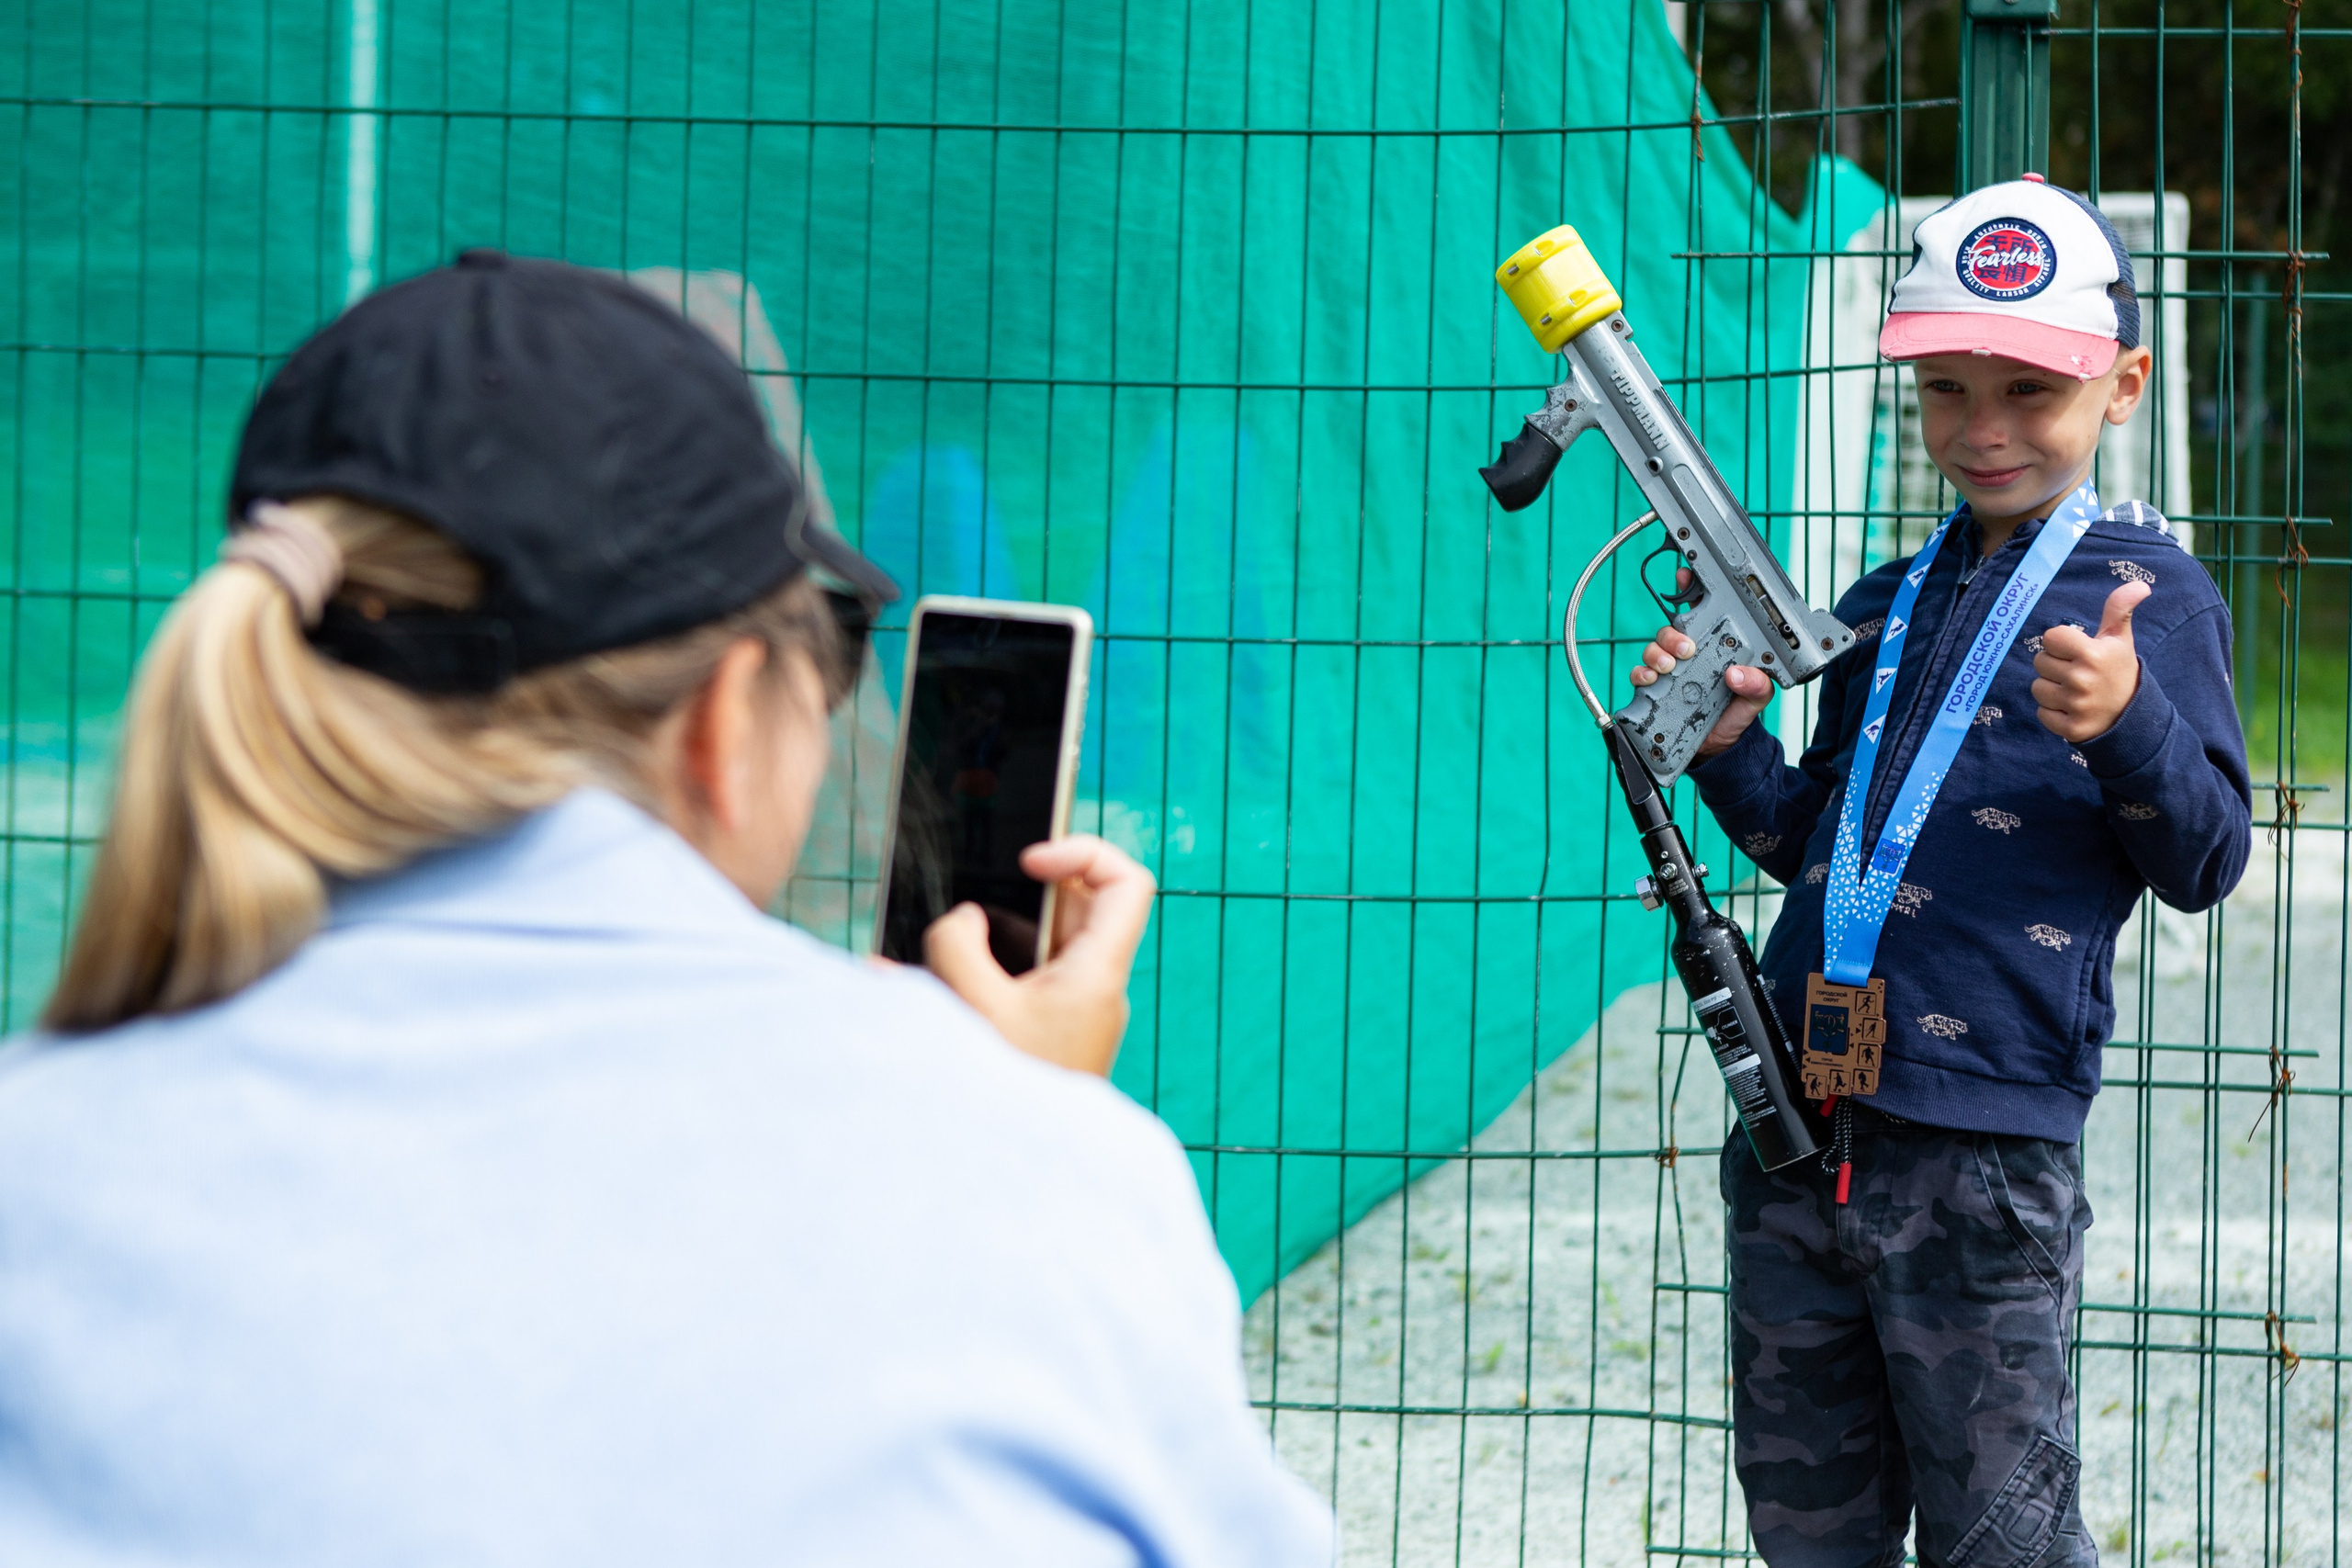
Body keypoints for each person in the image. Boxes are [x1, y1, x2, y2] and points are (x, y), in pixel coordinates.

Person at [0, 252, 1334, 1565]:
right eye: (828, 645)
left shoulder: (37, 1148)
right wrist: (1024, 1124)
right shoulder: (1053, 1181)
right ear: (718, 720)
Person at [1633, 178, 2251, 1568]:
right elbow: (1809, 842)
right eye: (1947, 389)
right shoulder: (1881, 602)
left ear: (2124, 384)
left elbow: (2208, 859)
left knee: (2002, 1543)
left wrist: (2130, 725)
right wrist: (1732, 747)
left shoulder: (2148, 598)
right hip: (1795, 1132)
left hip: (1984, 1160)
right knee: (1809, 1530)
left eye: (2030, 392)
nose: (1982, 431)